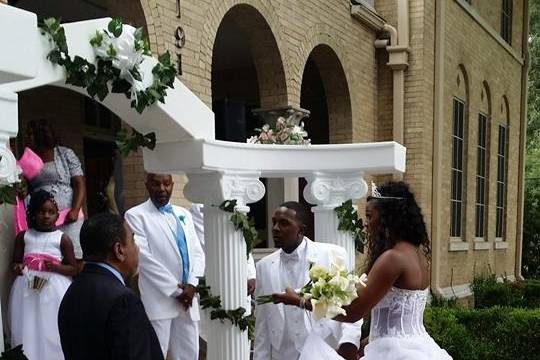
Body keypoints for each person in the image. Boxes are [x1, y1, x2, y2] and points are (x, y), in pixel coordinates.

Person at [273, 182, 453, 360]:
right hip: (420, 347)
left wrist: (300, 301)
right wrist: (366, 342)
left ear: (388, 218)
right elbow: (398, 319)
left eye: (369, 216)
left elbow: (352, 312)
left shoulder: (393, 258)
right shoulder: (417, 254)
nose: (366, 224)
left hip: (395, 352)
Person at [253, 201, 362, 360]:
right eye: (274, 222)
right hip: (283, 354)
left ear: (301, 230)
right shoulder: (264, 266)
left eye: (284, 223)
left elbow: (351, 304)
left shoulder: (332, 254)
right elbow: (262, 324)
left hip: (327, 350)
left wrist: (349, 342)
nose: (275, 228)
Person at [58, 213, 163, 360]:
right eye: (132, 240)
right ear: (119, 250)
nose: (137, 249)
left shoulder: (72, 291)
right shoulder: (124, 301)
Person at [125, 173, 205, 360]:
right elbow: (144, 258)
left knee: (189, 354)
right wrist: (177, 292)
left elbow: (197, 252)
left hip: (189, 298)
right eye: (156, 184)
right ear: (147, 186)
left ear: (172, 185)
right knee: (156, 353)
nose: (162, 188)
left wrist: (192, 285)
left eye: (166, 184)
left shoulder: (183, 213)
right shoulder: (135, 215)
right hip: (160, 297)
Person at [8, 190, 77, 360]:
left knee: (51, 325)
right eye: (41, 212)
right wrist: (18, 267)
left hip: (54, 290)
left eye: (51, 212)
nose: (46, 216)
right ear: (32, 213)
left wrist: (55, 268)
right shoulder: (24, 237)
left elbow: (74, 269)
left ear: (57, 215)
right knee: (28, 323)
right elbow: (14, 262)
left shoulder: (62, 239)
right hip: (27, 288)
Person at [23, 119, 86, 259]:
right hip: (42, 220)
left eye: (31, 134)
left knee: (73, 256)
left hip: (68, 217)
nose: (27, 137)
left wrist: (75, 210)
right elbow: (25, 187)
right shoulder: (28, 159)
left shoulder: (64, 154)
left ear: (41, 134)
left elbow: (79, 183)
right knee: (49, 257)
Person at [189, 203, 256, 294]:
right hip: (218, 274)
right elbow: (209, 244)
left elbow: (243, 240)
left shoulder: (238, 203)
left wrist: (250, 274)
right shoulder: (200, 206)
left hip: (241, 276)